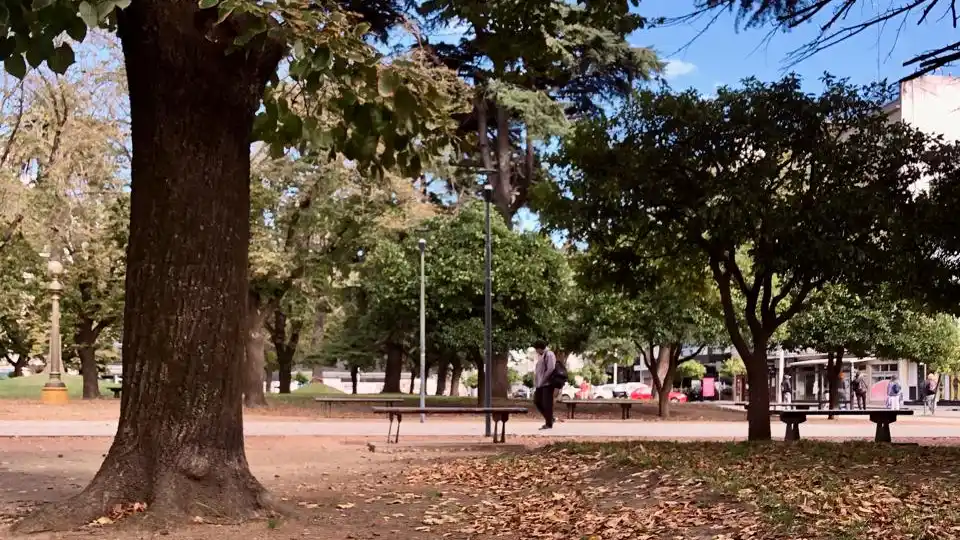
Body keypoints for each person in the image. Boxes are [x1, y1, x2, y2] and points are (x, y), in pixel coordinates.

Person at [533, 340, 557, 430]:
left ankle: (548, 423)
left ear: (540, 348)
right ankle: (550, 418)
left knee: (547, 404)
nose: (536, 351)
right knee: (537, 401)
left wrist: (543, 379)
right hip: (540, 384)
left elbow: (551, 369)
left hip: (547, 383)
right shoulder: (541, 355)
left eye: (536, 349)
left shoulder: (549, 354)